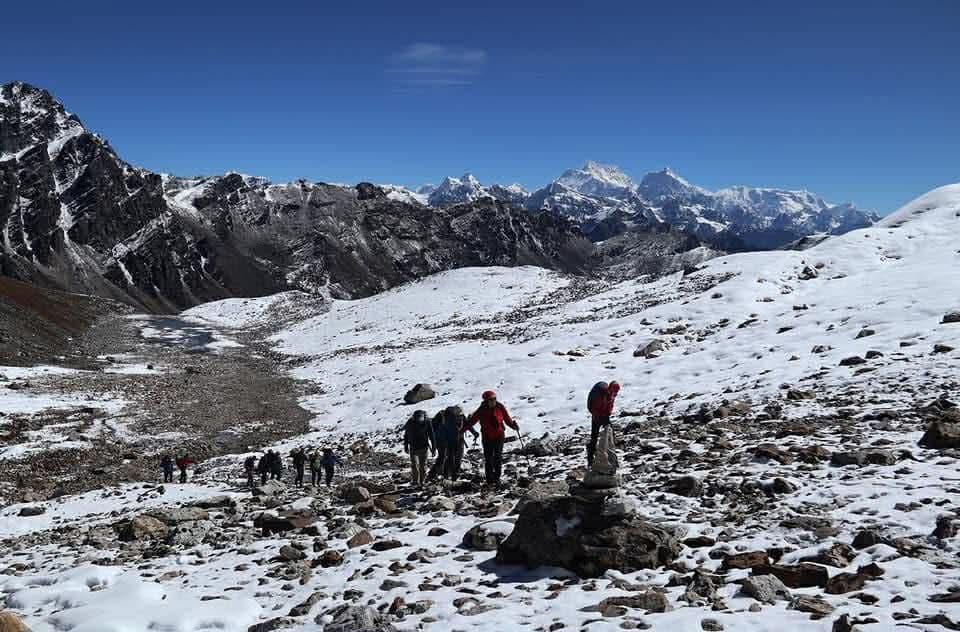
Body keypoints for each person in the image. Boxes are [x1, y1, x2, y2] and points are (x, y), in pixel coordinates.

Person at [462, 391, 518, 488]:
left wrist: (513, 426)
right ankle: (489, 480)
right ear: (486, 401)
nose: (494, 401)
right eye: (491, 399)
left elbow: (507, 418)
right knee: (488, 458)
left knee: (498, 457)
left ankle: (496, 479)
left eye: (495, 398)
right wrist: (462, 431)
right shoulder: (481, 410)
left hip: (499, 436)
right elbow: (472, 421)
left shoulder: (500, 407)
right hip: (487, 437)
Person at [586, 380, 620, 467]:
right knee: (594, 437)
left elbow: (610, 405)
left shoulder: (612, 394)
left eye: (616, 393)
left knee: (610, 432)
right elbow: (595, 408)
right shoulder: (600, 394)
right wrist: (600, 417)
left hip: (604, 414)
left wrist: (607, 414)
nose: (615, 394)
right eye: (614, 392)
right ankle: (590, 459)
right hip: (596, 416)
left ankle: (611, 456)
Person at [404, 409, 436, 488]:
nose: (419, 420)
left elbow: (432, 436)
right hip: (413, 448)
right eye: (418, 418)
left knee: (423, 466)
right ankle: (415, 482)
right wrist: (406, 446)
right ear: (414, 417)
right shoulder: (410, 423)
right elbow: (406, 435)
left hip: (424, 447)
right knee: (414, 465)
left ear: (424, 417)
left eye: (421, 418)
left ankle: (422, 482)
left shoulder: (427, 422)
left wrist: (434, 448)